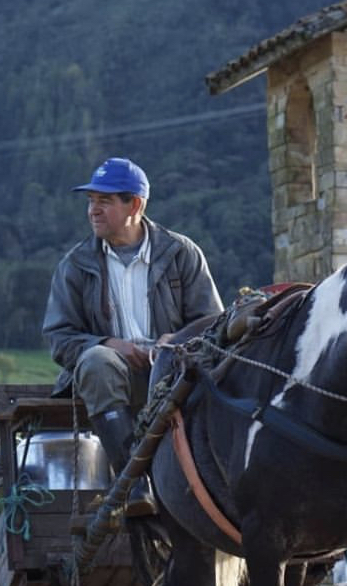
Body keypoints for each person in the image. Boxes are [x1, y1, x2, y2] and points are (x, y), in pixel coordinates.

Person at [43, 157, 224, 515]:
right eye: (91, 201)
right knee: (96, 361)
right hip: (112, 384)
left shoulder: (181, 254)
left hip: (173, 378)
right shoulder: (75, 265)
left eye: (104, 201)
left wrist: (174, 341)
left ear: (136, 205)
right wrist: (110, 345)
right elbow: (59, 337)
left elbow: (213, 325)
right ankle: (133, 484)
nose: (93, 210)